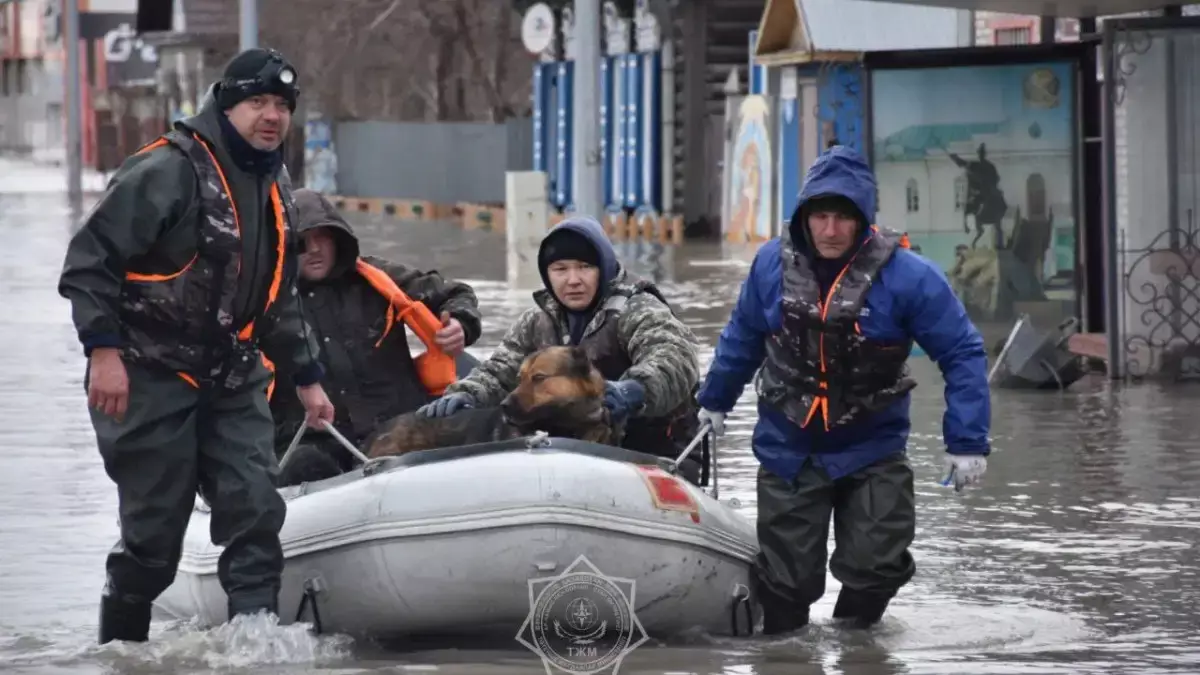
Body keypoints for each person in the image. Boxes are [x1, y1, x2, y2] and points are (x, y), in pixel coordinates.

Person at [57, 47, 335, 644]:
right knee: (155, 539)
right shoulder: (166, 170)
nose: (272, 116)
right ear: (227, 104)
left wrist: (308, 379)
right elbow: (89, 264)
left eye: (282, 105)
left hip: (233, 376)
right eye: (257, 102)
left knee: (256, 511)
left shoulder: (275, 180)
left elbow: (279, 295)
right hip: (150, 373)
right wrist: (103, 355)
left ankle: (255, 648)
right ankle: (119, 645)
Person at [695, 146, 990, 633]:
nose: (830, 231)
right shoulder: (771, 265)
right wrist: (714, 402)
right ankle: (790, 658)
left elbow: (962, 352)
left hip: (871, 444)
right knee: (786, 583)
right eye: (821, 217)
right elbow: (743, 336)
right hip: (789, 444)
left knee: (879, 566)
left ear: (864, 221)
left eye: (843, 219)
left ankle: (856, 650)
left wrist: (967, 442)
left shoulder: (910, 278)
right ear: (805, 219)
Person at [418, 216, 704, 476]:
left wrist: (634, 390)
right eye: (560, 269)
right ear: (547, 274)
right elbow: (500, 370)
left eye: (584, 267)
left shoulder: (638, 309)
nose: (573, 280)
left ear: (603, 268)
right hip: (570, 452)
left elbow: (676, 357)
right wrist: (466, 394)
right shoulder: (536, 321)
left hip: (655, 453)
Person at [270, 188, 483, 485]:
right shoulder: (265, 301)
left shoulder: (378, 276)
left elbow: (456, 293)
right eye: (304, 241)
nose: (315, 249)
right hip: (314, 440)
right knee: (302, 465)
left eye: (324, 237)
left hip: (398, 427)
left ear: (338, 239)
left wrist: (461, 323)